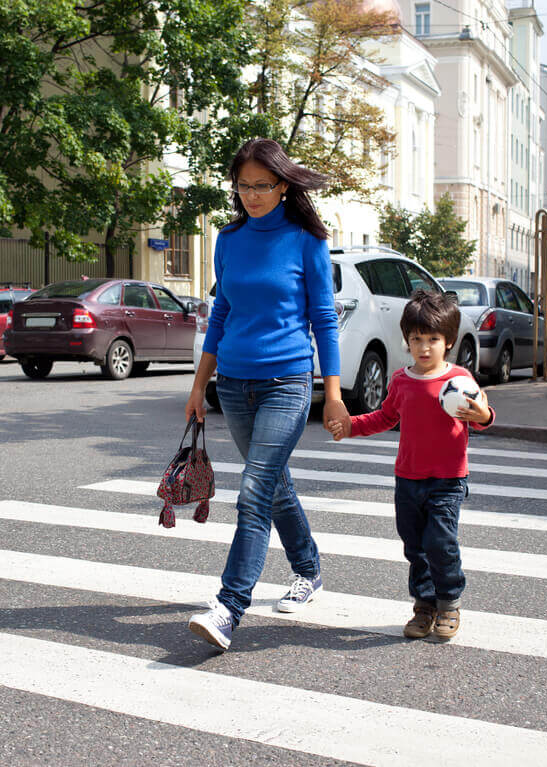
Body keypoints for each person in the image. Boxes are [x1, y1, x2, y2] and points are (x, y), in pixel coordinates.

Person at [184, 138, 348, 651]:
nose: (251, 195)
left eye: (262, 185)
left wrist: (335, 393)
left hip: (288, 383)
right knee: (274, 485)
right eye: (243, 185)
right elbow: (223, 314)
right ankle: (310, 570)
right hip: (233, 384)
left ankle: (229, 608)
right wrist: (198, 385)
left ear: (283, 186)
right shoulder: (229, 240)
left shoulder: (306, 241)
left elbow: (324, 319)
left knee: (254, 493)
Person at [330, 289, 495, 641]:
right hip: (408, 478)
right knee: (414, 544)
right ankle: (424, 604)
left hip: (448, 479)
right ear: (407, 340)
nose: (424, 347)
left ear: (448, 341)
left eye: (433, 339)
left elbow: (480, 417)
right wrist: (350, 426)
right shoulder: (402, 381)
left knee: (440, 541)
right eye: (416, 339)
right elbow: (386, 417)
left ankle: (448, 601)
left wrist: (484, 414)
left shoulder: (459, 381)